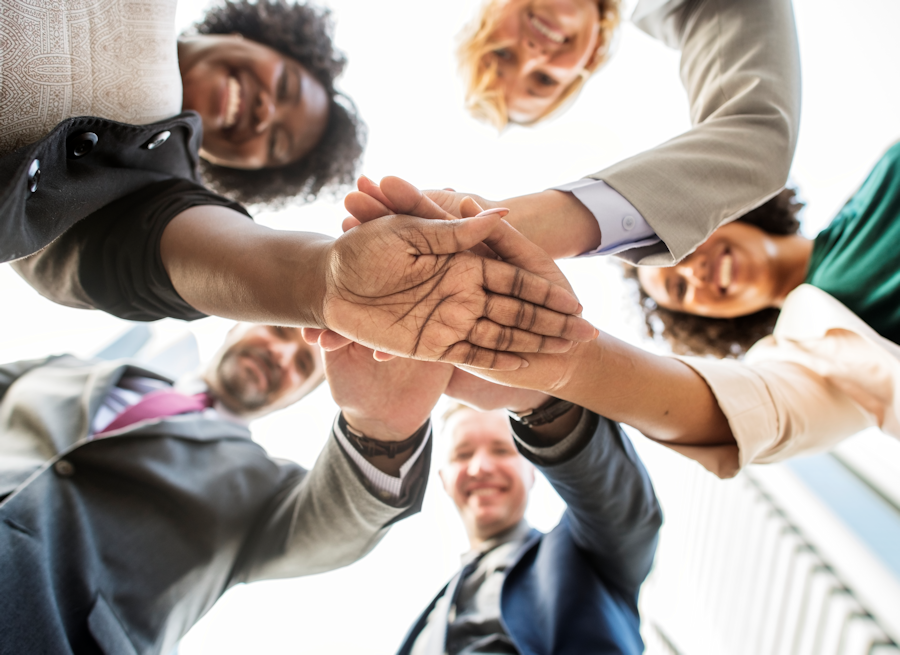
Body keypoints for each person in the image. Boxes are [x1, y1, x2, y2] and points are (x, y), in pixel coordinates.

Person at [340, 167, 899, 481]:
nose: (694, 275)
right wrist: (567, 365)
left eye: (682, 254)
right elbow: (754, 410)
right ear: (709, 323)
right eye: (680, 290)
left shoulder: (873, 192)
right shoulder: (807, 350)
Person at [0, 321, 448, 654]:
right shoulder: (72, 366)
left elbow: (338, 521)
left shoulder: (266, 491)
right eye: (276, 330)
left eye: (304, 364)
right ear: (238, 323)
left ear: (296, 399)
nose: (282, 356)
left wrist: (380, 425)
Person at [0, 0, 360, 323]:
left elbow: (194, 249)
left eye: (276, 143)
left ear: (242, 169)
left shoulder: (153, 190)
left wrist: (324, 279)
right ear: (246, 36)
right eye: (285, 85)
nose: (266, 114)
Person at [392, 0, 801, 269]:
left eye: (501, 53)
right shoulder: (696, 8)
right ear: (591, 55)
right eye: (546, 79)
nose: (535, 54)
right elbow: (756, 134)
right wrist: (513, 228)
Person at [396, 401, 662, 655]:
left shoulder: (584, 552)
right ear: (444, 479)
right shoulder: (431, 614)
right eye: (463, 454)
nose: (480, 467)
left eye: (501, 450)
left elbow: (623, 510)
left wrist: (541, 405)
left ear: (531, 469)